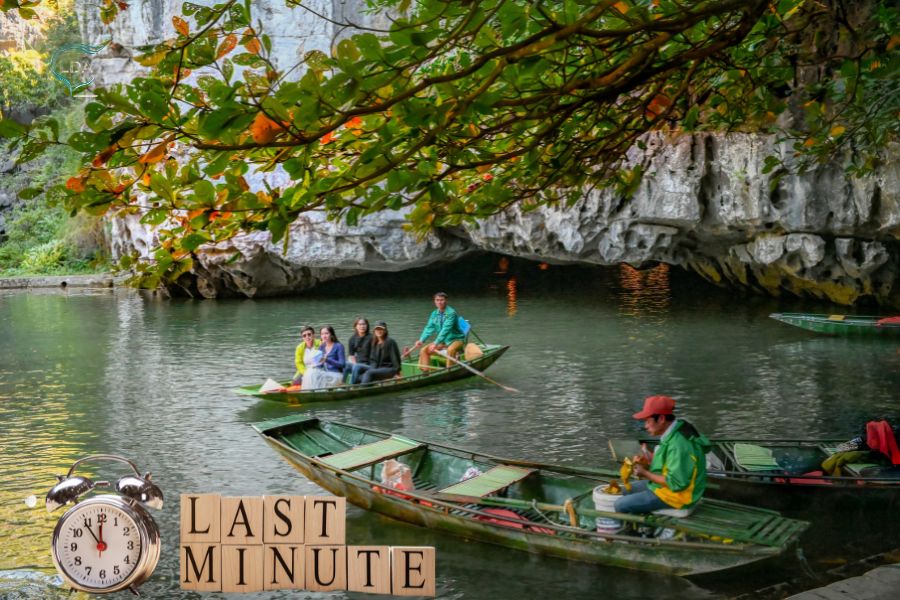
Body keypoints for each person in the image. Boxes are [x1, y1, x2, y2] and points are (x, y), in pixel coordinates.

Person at [614, 395, 711, 515]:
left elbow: (676, 484)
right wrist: (649, 460)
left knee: (620, 505)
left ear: (661, 419)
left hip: (680, 496)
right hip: (670, 487)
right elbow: (671, 463)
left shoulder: (679, 445)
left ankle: (639, 530)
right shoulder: (675, 430)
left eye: (648, 421)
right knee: (624, 490)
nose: (646, 426)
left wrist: (645, 473)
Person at [411, 291, 466, 369]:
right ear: (434, 301)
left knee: (450, 350)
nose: (439, 302)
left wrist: (435, 343)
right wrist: (421, 340)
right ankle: (425, 372)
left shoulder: (451, 313)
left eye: (441, 300)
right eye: (437, 300)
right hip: (443, 341)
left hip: (456, 340)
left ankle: (449, 371)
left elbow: (445, 329)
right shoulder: (434, 313)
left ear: (446, 301)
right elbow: (429, 327)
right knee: (424, 350)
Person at [304, 326, 346, 390]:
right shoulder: (322, 347)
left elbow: (342, 364)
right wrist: (314, 364)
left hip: (336, 375)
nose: (324, 336)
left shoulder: (339, 346)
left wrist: (327, 360)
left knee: (313, 374)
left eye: (326, 333)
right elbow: (320, 365)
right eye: (322, 334)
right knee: (310, 371)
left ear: (331, 334)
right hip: (325, 373)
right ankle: (309, 392)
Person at [343, 317, 373, 385]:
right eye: (359, 324)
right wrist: (354, 364)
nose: (362, 326)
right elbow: (351, 355)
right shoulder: (352, 339)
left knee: (357, 366)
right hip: (358, 363)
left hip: (369, 365)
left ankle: (351, 386)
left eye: (364, 324)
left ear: (367, 325)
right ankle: (342, 383)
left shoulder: (372, 338)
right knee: (345, 364)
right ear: (356, 326)